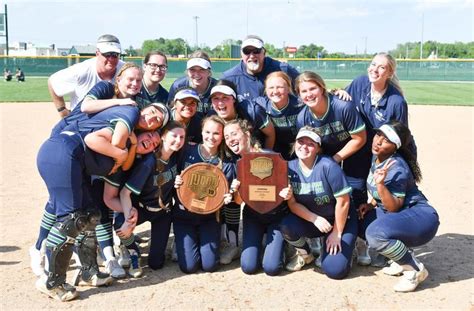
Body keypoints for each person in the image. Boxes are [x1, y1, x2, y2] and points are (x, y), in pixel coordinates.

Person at [30, 64, 168, 280]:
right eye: (130, 79)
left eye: (156, 122)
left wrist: (129, 149)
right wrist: (121, 153)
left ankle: (88, 270)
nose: (134, 84)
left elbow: (117, 171)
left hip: (77, 157)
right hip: (65, 146)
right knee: (67, 213)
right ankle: (45, 262)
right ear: (118, 79)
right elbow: (90, 119)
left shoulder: (133, 130)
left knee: (88, 213)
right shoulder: (121, 102)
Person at [345, 52, 417, 265]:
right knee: (356, 192)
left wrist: (394, 166)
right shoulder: (359, 83)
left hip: (387, 152)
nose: (374, 70)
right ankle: (362, 242)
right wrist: (340, 93)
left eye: (382, 67)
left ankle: (393, 244)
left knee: (388, 195)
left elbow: (399, 138)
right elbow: (345, 99)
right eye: (373, 64)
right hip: (361, 149)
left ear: (390, 73)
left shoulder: (396, 101)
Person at [363, 121, 439, 292]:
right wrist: (371, 204)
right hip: (407, 215)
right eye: (378, 135)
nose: (378, 141)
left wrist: (380, 185)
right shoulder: (378, 157)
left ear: (395, 146)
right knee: (366, 220)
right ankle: (401, 260)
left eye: (386, 140)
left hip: (421, 219)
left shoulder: (396, 166)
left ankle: (414, 269)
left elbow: (394, 207)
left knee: (374, 234)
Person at [108, 121, 186, 277]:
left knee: (156, 263)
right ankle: (132, 250)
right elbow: (124, 193)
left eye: (182, 137)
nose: (178, 140)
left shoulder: (176, 157)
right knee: (120, 223)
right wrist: (128, 221)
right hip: (143, 209)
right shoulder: (149, 162)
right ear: (163, 136)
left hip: (163, 212)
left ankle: (152, 245)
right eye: (174, 136)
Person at [280, 126, 356, 279]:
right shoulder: (288, 168)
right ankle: (305, 254)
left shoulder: (329, 166)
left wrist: (336, 233)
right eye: (301, 141)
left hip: (339, 220)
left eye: (310, 144)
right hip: (315, 220)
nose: (304, 146)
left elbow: (343, 202)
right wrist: (314, 218)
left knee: (335, 270)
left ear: (318, 148)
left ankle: (347, 252)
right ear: (294, 144)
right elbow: (293, 205)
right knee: (286, 225)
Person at [222, 119, 289, 275]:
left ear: (246, 134)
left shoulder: (271, 157)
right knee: (248, 267)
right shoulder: (237, 165)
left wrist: (287, 193)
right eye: (226, 137)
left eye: (233, 134)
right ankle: (263, 246)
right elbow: (239, 201)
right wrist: (236, 191)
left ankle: (284, 247)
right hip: (253, 216)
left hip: (276, 216)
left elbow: (286, 193)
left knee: (271, 268)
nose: (230, 139)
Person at [173, 115, 230, 274]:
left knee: (209, 266)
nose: (211, 137)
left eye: (216, 133)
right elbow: (171, 173)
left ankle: (206, 240)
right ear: (201, 131)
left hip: (209, 217)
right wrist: (176, 181)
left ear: (222, 136)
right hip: (183, 216)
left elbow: (228, 190)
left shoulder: (225, 162)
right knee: (189, 267)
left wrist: (228, 196)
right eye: (207, 132)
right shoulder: (186, 150)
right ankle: (183, 243)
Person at [48, 34, 124, 118]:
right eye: (107, 54)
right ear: (97, 53)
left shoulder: (125, 70)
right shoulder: (82, 71)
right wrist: (62, 110)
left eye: (115, 54)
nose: (111, 59)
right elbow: (52, 81)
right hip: (81, 121)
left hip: (110, 120)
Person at [221, 35, 299, 102]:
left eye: (256, 51)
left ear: (264, 52)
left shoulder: (283, 69)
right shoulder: (229, 78)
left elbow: (304, 88)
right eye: (247, 51)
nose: (251, 56)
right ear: (241, 54)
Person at [209, 79, 275, 150]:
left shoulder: (252, 111)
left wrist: (265, 157)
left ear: (234, 99)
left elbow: (270, 135)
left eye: (225, 98)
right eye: (216, 98)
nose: (220, 103)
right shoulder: (211, 119)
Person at [253, 71, 304, 160]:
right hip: (272, 151)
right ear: (266, 90)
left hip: (298, 152)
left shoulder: (300, 104)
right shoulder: (260, 104)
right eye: (271, 88)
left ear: (288, 89)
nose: (275, 91)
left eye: (280, 87)